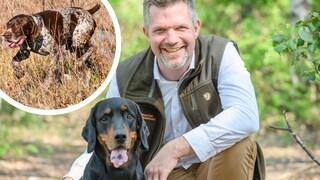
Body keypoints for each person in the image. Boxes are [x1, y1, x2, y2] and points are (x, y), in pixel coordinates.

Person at [63, 0, 261, 179]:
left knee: (239, 144)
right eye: (160, 31)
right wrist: (72, 177)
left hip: (215, 167)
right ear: (146, 33)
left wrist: (176, 148)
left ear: (196, 27)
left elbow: (246, 116)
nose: (172, 39)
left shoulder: (220, 54)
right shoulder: (126, 74)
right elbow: (103, 139)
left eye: (180, 27)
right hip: (160, 174)